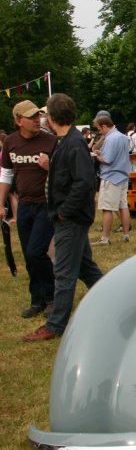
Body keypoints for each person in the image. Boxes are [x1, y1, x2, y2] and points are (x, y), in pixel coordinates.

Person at [23, 93, 102, 342]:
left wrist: (64, 211)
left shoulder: (74, 143)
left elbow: (84, 182)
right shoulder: (66, 140)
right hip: (67, 217)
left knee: (65, 273)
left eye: (45, 114)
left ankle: (55, 325)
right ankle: (115, 301)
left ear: (53, 116)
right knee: (85, 269)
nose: (43, 119)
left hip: (71, 218)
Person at [0, 99, 57, 319]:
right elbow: (6, 174)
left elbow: (63, 172)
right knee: (28, 255)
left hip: (45, 204)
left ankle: (52, 297)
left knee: (36, 251)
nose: (37, 120)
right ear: (18, 121)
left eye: (37, 116)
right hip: (24, 206)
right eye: (31, 117)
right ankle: (37, 300)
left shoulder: (50, 140)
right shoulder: (11, 143)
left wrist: (49, 165)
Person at [93, 114, 131, 245]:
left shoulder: (110, 139)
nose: (99, 132)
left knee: (107, 208)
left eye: (99, 129)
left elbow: (107, 159)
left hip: (111, 177)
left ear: (104, 126)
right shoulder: (123, 137)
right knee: (123, 206)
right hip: (124, 175)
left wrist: (97, 156)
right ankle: (126, 235)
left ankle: (105, 238)